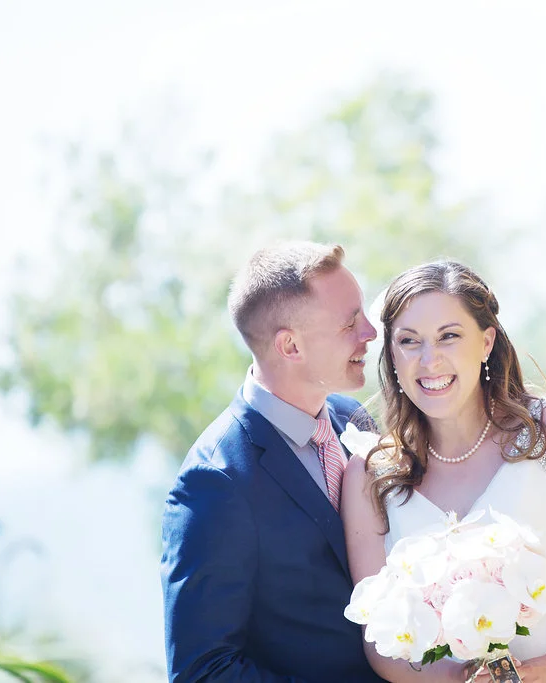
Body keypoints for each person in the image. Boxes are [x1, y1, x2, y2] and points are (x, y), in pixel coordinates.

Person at [341, 261, 546, 682]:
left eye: (449, 336)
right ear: (392, 355)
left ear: (486, 341)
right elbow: (378, 639)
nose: (429, 359)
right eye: (409, 341)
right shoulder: (370, 475)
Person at [160, 241, 387, 682]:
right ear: (290, 346)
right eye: (349, 323)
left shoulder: (352, 419)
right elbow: (202, 672)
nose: (370, 333)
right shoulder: (216, 480)